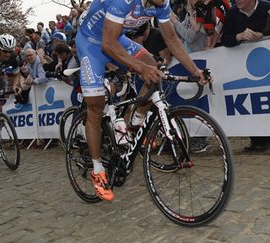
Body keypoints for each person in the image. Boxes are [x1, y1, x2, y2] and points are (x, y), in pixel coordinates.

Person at [76, 0, 209, 201]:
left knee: (152, 68)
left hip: (117, 39)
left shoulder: (161, 4)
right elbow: (107, 44)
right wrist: (140, 68)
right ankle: (97, 168)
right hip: (91, 44)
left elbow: (171, 38)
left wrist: (195, 70)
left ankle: (135, 125)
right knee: (96, 107)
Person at [221, 0, 270, 152]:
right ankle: (256, 139)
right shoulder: (232, 12)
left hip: (269, 64)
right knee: (251, 101)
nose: (237, 0)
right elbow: (225, 39)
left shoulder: (267, 8)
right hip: (244, 67)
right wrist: (238, 36)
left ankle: (269, 138)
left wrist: (263, 35)